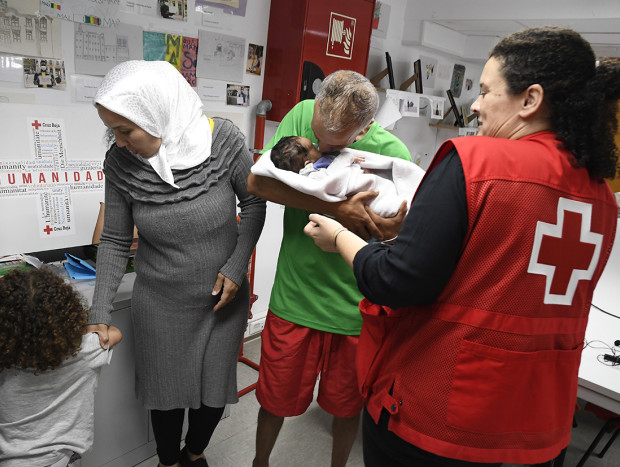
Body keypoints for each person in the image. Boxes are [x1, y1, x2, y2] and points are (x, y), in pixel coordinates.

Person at [303, 27, 620, 467]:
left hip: (446, 411)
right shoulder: (600, 195)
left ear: (529, 100)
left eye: (486, 91)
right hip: (537, 423)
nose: (474, 103)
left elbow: (395, 281)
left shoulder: (476, 162)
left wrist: (339, 237)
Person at [87, 60, 266, 467]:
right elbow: (115, 239)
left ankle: (194, 453)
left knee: (213, 395)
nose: (118, 142)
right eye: (111, 130)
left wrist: (237, 266)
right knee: (165, 399)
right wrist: (99, 309)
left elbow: (254, 204)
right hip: (160, 301)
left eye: (125, 130)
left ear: (156, 115)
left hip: (221, 298)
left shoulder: (222, 141)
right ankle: (168, 462)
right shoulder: (120, 164)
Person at [246, 70, 411, 467]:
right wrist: (338, 209)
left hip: (354, 308)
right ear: (316, 106)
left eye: (333, 145)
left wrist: (383, 226)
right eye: (317, 137)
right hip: (295, 296)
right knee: (274, 398)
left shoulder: (393, 153)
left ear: (364, 130)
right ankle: (259, 463)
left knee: (346, 407)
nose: (318, 148)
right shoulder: (301, 117)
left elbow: (399, 230)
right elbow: (259, 184)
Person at [0, 268, 122, 466]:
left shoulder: (4, 359)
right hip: (61, 459)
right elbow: (115, 333)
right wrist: (74, 329)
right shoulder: (85, 351)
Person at [259, 135, 424, 217]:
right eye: (313, 148)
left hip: (379, 186)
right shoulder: (313, 176)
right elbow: (330, 183)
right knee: (401, 207)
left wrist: (355, 165)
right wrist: (348, 159)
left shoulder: (393, 147)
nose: (318, 146)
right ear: (307, 163)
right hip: (376, 201)